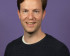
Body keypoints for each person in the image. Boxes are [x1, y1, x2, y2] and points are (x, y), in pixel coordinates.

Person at [4, 0, 70, 56]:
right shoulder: (10, 49)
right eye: (25, 11)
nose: (30, 17)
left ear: (43, 14)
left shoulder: (59, 50)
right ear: (19, 14)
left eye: (36, 11)